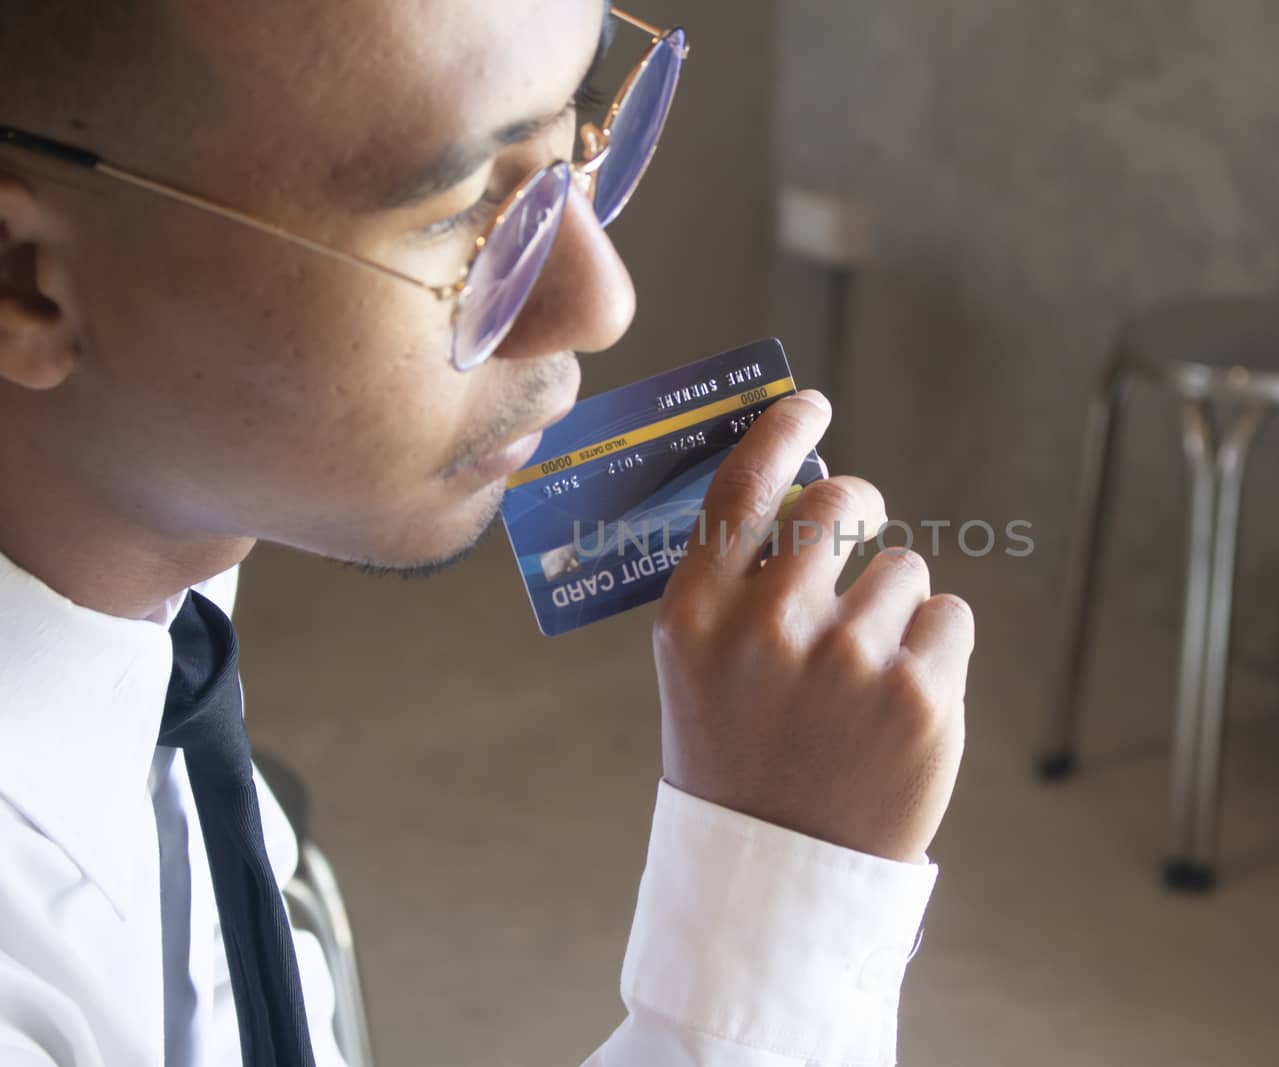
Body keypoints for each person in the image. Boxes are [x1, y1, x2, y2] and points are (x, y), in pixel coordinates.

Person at [0, 1, 975, 1064]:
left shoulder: (154, 636)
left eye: (576, 145)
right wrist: (783, 913)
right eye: (462, 212)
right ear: (23, 280)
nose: (602, 300)